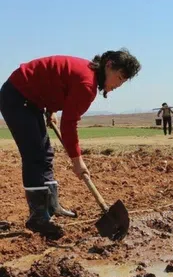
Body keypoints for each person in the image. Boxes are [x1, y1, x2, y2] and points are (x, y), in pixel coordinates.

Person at [0, 49, 141, 239]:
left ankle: (51, 206)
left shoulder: (87, 76)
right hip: (17, 97)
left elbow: (54, 82)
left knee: (45, 154)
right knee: (35, 155)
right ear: (109, 66)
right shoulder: (87, 83)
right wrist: (77, 161)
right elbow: (69, 124)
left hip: (29, 98)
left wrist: (50, 109)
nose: (119, 85)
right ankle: (38, 218)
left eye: (123, 82)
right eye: (119, 77)